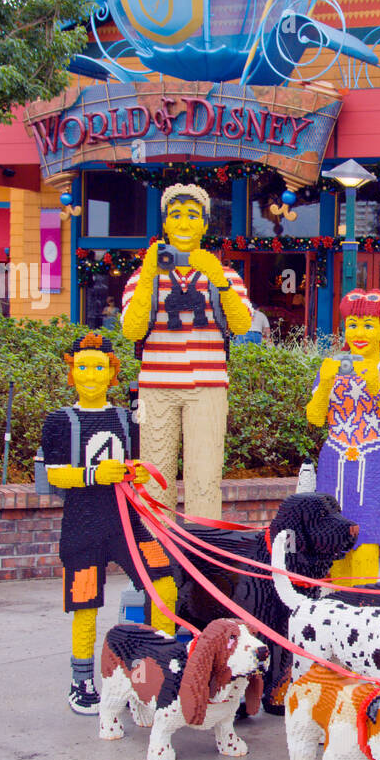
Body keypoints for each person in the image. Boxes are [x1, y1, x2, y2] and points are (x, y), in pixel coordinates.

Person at [41, 332, 180, 714]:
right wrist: (94, 475)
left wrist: (134, 473)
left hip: (128, 523)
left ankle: (160, 664)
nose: (90, 374)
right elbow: (53, 475)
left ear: (111, 374)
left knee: (163, 585)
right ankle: (81, 679)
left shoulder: (123, 417)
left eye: (99, 367)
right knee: (85, 604)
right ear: (71, 372)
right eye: (82, 367)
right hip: (83, 527)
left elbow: (134, 461)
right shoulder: (59, 421)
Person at [121, 183, 253, 520]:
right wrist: (150, 271)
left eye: (193, 216)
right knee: (154, 475)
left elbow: (241, 325)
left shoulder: (225, 276)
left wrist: (218, 280)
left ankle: (201, 558)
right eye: (175, 215)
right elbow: (131, 330)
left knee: (205, 478)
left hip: (208, 388)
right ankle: (157, 554)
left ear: (205, 224)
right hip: (156, 388)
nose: (183, 224)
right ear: (165, 223)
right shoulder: (143, 277)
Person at [306, 289, 380, 581]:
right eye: (352, 324)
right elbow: (314, 418)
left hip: (374, 463)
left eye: (367, 324)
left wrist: (375, 383)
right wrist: (325, 383)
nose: (359, 332)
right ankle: (337, 610)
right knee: (333, 541)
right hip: (334, 461)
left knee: (366, 540)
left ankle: (364, 606)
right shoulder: (330, 369)